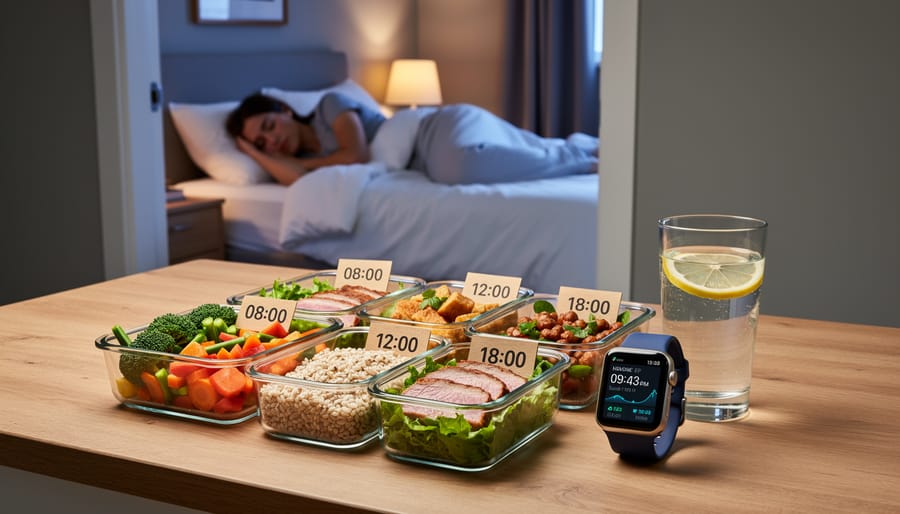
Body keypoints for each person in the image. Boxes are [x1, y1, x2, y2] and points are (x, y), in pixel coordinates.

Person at [226, 91, 598, 186]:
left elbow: (353, 154)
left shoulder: (329, 106)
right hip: (426, 153)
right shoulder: (311, 160)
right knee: (515, 151)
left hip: (436, 127)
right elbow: (291, 178)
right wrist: (249, 151)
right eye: (261, 144)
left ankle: (583, 158)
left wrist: (298, 164)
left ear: (285, 110)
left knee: (458, 168)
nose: (270, 143)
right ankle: (577, 147)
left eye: (269, 128)